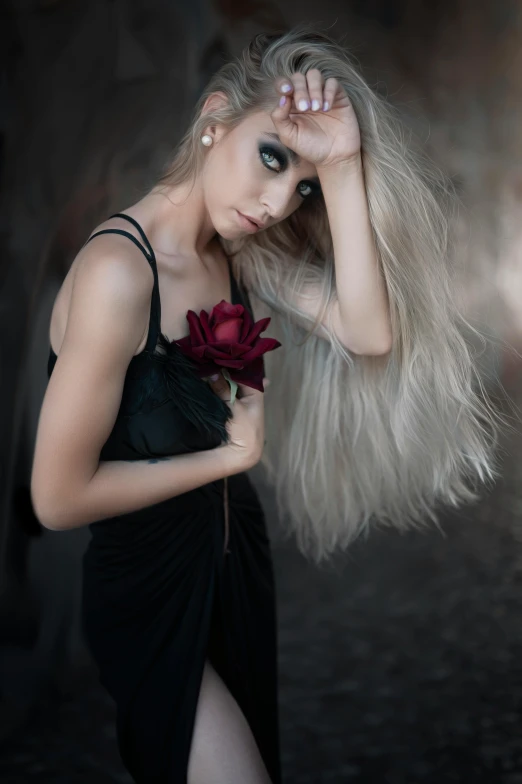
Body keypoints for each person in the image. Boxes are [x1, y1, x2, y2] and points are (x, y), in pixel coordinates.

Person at [30, 24, 504, 784]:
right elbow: (56, 498)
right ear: (215, 118)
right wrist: (230, 457)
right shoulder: (121, 273)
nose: (279, 201)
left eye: (301, 188)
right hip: (147, 597)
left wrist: (343, 165)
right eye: (273, 159)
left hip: (236, 571)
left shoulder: (238, 256)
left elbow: (368, 331)